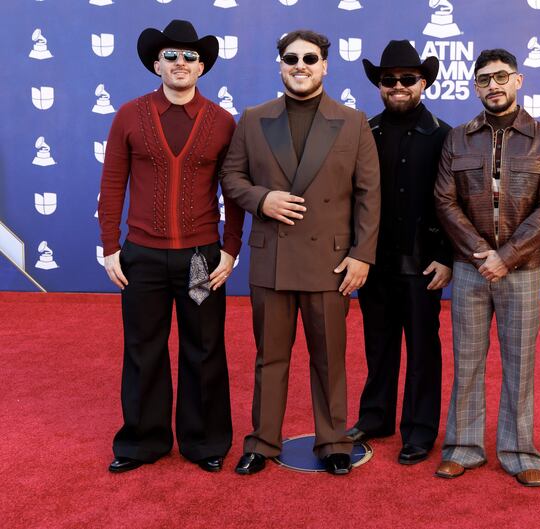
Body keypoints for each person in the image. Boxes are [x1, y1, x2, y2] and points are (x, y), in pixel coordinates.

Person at [220, 29, 380, 476]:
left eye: (310, 58)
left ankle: (332, 441)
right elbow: (231, 177)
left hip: (331, 263)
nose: (301, 66)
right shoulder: (253, 119)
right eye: (291, 58)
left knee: (329, 358)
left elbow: (369, 195)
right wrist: (261, 199)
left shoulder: (353, 121)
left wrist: (362, 255)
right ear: (280, 65)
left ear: (325, 65)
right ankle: (262, 441)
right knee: (269, 356)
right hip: (271, 259)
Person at [99, 20, 244, 474]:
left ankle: (205, 442)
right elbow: (112, 184)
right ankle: (142, 441)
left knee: (203, 347)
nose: (180, 63)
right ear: (156, 64)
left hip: (201, 259)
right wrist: (109, 246)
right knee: (143, 347)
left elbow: (235, 190)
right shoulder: (128, 114)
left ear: (201, 67)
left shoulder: (222, 122)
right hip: (140, 258)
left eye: (189, 56)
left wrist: (230, 249)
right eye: (170, 56)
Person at [433, 48, 540, 486]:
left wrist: (506, 257)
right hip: (471, 268)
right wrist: (480, 253)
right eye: (485, 79)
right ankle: (463, 447)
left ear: (518, 80)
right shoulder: (457, 138)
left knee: (520, 363)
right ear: (476, 87)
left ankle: (519, 450)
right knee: (467, 360)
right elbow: (445, 201)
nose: (494, 85)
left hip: (522, 269)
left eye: (501, 77)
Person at [345, 41, 452, 465]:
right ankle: (375, 416)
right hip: (374, 263)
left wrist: (446, 255)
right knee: (378, 343)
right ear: (379, 86)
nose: (399, 86)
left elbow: (452, 202)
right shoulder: (365, 132)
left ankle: (420, 429)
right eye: (389, 80)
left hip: (424, 264)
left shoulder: (444, 134)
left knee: (424, 348)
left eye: (408, 79)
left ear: (422, 83)